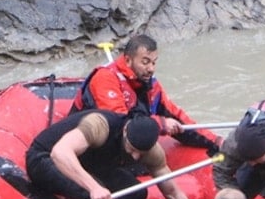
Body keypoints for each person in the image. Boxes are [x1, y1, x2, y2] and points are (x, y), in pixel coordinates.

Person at [25, 110, 198, 199]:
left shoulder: (152, 151)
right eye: (132, 149)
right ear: (125, 132)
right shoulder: (99, 125)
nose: (135, 156)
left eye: (141, 153)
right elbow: (60, 152)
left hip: (92, 163)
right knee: (90, 192)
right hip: (45, 157)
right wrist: (94, 188)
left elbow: (172, 191)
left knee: (137, 193)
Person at [70, 34, 220, 153]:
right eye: (145, 62)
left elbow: (177, 117)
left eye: (154, 62)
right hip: (92, 144)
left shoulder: (150, 84)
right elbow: (117, 124)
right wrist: (160, 123)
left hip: (125, 143)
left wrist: (216, 141)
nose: (151, 69)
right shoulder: (105, 78)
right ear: (128, 61)